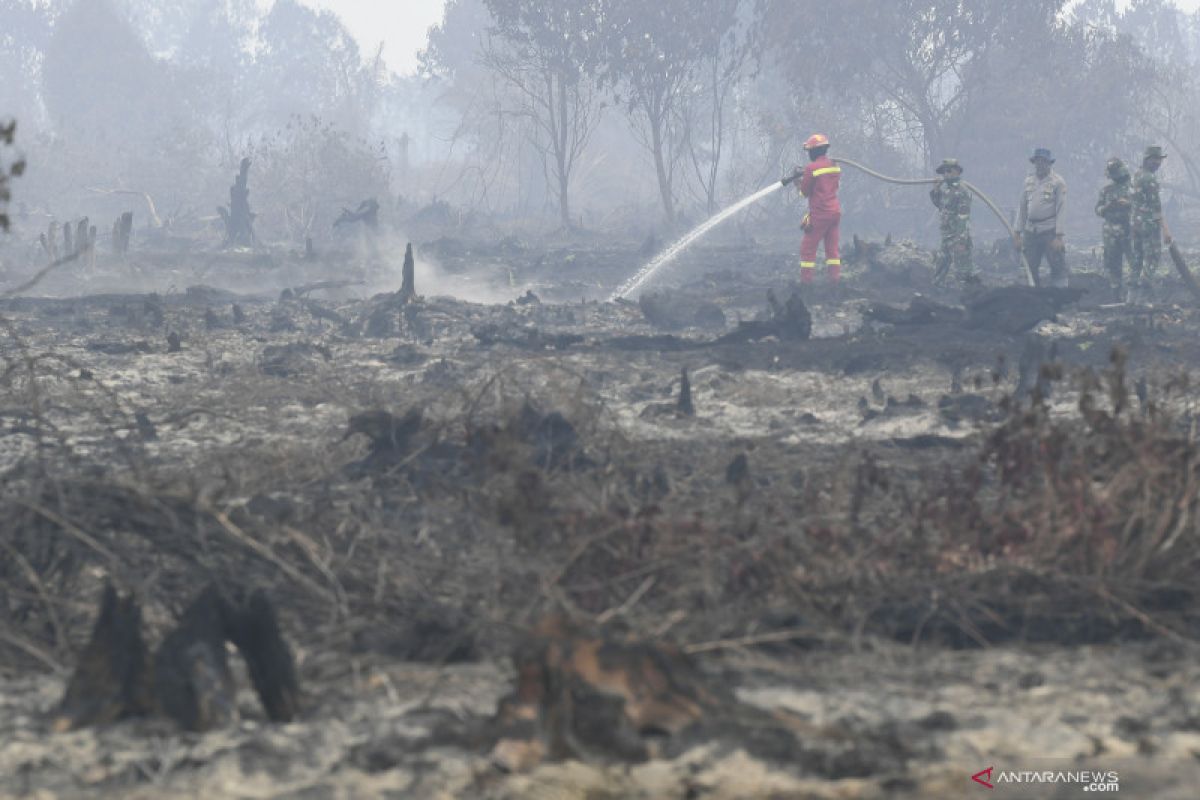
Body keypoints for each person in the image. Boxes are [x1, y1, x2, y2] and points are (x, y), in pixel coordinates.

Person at [1015, 148, 1068, 287]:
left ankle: (1061, 295)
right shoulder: (1028, 181)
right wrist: (1017, 233)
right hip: (1031, 230)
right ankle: (1033, 296)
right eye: (1038, 161)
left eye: (1044, 162)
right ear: (1034, 163)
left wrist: (1059, 236)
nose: (1041, 165)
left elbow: (1061, 209)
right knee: (1029, 265)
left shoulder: (1058, 182)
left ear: (1049, 163)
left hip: (1049, 230)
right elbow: (1022, 208)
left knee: (1057, 264)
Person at [794, 133, 842, 285]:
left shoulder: (811, 168)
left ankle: (806, 283)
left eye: (809, 151)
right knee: (832, 249)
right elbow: (828, 184)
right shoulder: (834, 166)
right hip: (834, 213)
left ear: (813, 151)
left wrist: (797, 181)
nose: (809, 154)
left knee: (807, 249)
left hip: (820, 214)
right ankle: (835, 281)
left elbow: (804, 192)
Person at [1131, 145, 1172, 305]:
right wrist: (1166, 230)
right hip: (1148, 225)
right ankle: (1142, 298)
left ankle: (1131, 298)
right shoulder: (1150, 179)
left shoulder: (1137, 175)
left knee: (1137, 259)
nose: (1158, 163)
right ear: (1147, 159)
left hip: (1136, 224)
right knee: (1151, 259)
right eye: (1155, 159)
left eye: (1159, 160)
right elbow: (1156, 208)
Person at [929, 158, 977, 285]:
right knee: (941, 265)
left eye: (949, 171)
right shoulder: (946, 190)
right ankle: (936, 290)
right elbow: (940, 205)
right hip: (946, 236)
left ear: (957, 172)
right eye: (943, 172)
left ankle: (969, 294)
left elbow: (963, 216)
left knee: (963, 270)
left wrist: (960, 240)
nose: (945, 174)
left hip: (957, 237)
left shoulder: (962, 191)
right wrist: (935, 190)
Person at [1095, 157, 1134, 300]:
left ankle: (1134, 293)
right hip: (1110, 230)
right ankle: (1116, 293)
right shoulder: (1106, 191)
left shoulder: (1132, 189)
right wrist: (1107, 207)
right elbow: (1097, 209)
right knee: (1112, 262)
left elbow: (1142, 207)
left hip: (1129, 229)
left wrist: (1128, 204)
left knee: (1134, 261)